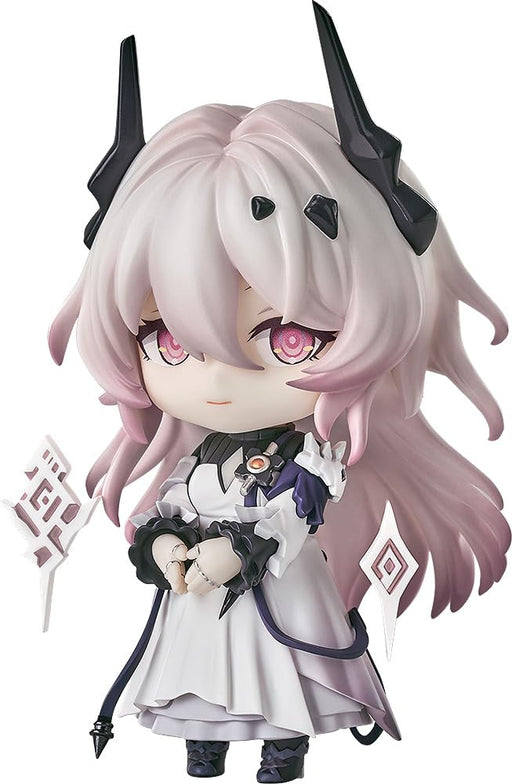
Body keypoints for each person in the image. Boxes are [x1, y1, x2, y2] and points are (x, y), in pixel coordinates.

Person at [48, 5, 509, 782]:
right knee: (199, 669)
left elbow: (298, 513)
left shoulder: (310, 459)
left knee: (280, 672)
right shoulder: (198, 460)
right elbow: (171, 504)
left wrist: (235, 551)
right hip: (199, 593)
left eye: (287, 336)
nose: (216, 376)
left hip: (275, 585)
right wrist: (163, 544)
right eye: (168, 340)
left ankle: (284, 745)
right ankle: (205, 743)